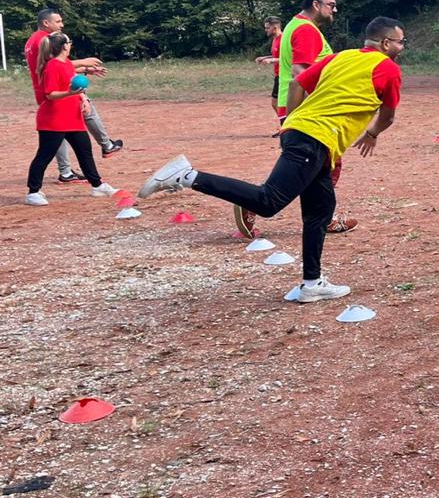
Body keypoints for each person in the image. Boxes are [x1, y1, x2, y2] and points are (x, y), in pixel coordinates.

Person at [138, 17, 406, 304]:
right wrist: (373, 133)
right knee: (269, 201)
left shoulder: (341, 57)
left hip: (305, 134)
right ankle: (188, 176)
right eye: (401, 41)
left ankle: (311, 283)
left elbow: (297, 83)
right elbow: (388, 115)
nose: (402, 47)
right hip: (314, 139)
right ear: (386, 42)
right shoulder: (388, 69)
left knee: (320, 211)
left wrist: (293, 119)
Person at [269, 0, 356, 238]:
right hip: (308, 110)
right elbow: (300, 74)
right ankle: (254, 200)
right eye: (331, 5)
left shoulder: (296, 25)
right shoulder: (306, 30)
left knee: (313, 164)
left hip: (299, 108)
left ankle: (322, 217)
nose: (335, 10)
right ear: (316, 5)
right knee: (324, 163)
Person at [24, 8, 123, 184]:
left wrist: (85, 70)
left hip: (47, 90)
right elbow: (55, 66)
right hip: (55, 92)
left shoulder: (34, 39)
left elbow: (56, 67)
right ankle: (106, 145)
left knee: (59, 132)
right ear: (46, 23)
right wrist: (84, 63)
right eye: (58, 21)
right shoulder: (43, 40)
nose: (61, 25)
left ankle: (67, 171)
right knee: (78, 120)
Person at [254, 16, 283, 135]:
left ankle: (286, 127)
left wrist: (272, 61)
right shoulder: (275, 39)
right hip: (278, 75)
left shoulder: (283, 39)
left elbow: (289, 59)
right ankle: (286, 126)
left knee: (276, 102)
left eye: (267, 28)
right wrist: (265, 57)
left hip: (283, 75)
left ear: (275, 27)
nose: (266, 30)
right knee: (278, 103)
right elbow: (277, 55)